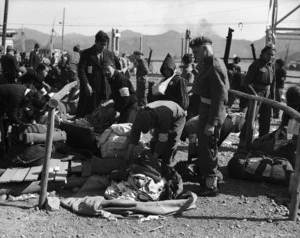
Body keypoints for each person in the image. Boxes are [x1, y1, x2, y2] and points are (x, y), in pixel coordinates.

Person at [189, 36, 230, 196]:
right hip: (206, 108)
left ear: (205, 49)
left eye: (196, 52)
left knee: (208, 148)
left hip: (211, 112)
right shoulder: (208, 64)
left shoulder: (214, 65)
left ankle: (211, 185)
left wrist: (212, 123)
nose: (195, 56)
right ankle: (209, 178)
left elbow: (220, 96)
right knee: (205, 147)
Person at [127, 100, 186, 175]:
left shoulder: (164, 118)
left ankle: (167, 168)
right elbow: (134, 137)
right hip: (160, 111)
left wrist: (153, 160)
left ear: (152, 123)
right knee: (155, 140)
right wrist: (128, 157)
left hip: (177, 116)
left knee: (170, 143)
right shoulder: (139, 115)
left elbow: (162, 140)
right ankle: (158, 158)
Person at [239, 45, 276, 147]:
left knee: (266, 120)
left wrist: (273, 100)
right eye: (269, 54)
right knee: (251, 119)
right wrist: (255, 96)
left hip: (267, 96)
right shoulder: (255, 65)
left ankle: (261, 143)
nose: (271, 57)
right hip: (256, 94)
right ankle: (243, 142)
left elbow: (273, 85)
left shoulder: (272, 66)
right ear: (262, 54)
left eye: (272, 55)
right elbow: (246, 83)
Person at [76, 30, 115, 118]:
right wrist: (86, 84)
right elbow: (81, 71)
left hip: (105, 89)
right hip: (91, 89)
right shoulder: (86, 53)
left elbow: (113, 70)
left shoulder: (109, 54)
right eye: (101, 44)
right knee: (89, 112)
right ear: (96, 42)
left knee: (104, 113)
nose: (103, 47)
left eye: (105, 45)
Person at [0, 84, 45, 154]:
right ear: (30, 101)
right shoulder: (17, 97)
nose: (31, 109)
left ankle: (4, 147)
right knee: (1, 131)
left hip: (3, 103)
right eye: (32, 107)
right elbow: (12, 115)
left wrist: (32, 119)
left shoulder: (27, 94)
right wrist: (22, 124)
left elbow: (26, 108)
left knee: (5, 128)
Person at [181, 53, 195, 119]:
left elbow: (187, 83)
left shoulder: (186, 71)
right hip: (189, 93)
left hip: (186, 93)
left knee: (187, 112)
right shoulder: (190, 70)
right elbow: (189, 83)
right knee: (189, 112)